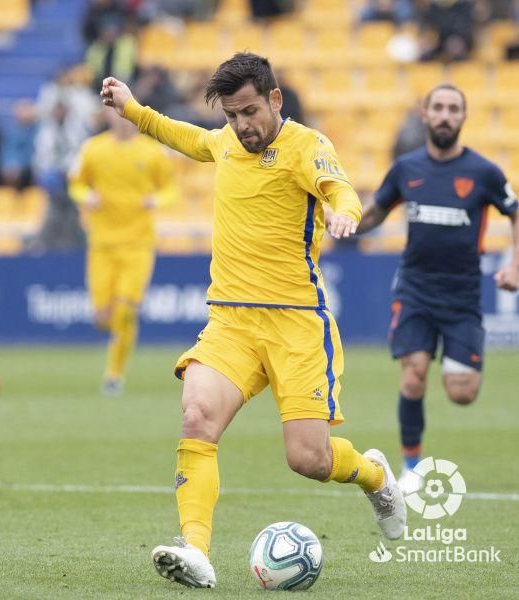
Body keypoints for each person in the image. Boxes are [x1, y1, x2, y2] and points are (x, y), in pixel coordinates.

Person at [99, 52, 407, 588]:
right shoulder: (223, 142)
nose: (242, 126)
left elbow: (341, 190)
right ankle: (194, 549)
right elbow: (182, 136)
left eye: (249, 112)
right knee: (196, 416)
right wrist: (132, 109)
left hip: (296, 325)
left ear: (274, 100)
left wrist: (343, 214)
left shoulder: (307, 146)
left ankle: (375, 475)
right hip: (231, 322)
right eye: (232, 116)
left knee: (308, 459)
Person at [356, 84, 519, 491]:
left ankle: (457, 367)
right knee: (413, 376)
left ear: (463, 117)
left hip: (462, 295)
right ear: (424, 115)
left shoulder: (484, 172)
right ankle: (411, 467)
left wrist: (515, 263)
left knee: (462, 392)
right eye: (438, 108)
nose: (445, 115)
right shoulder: (405, 169)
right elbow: (376, 211)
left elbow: (515, 213)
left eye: (453, 109)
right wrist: (342, 222)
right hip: (415, 289)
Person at [68, 107, 178, 395]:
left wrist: (156, 200)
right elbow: (76, 185)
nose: (121, 119)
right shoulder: (93, 149)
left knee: (126, 311)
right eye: (116, 114)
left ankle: (114, 374)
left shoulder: (152, 152)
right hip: (102, 244)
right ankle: (114, 338)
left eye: (126, 114)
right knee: (103, 316)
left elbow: (171, 190)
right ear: (106, 116)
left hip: (138, 243)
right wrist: (86, 196)